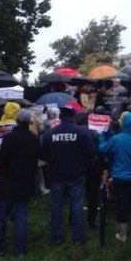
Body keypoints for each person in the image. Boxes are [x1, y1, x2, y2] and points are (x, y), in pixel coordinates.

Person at [0, 109, 40, 257]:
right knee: (21, 215)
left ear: (17, 121)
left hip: (8, 182)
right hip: (26, 182)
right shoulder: (35, 139)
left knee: (1, 215)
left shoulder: (9, 138)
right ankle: (20, 250)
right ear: (30, 122)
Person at [40, 105, 96, 245]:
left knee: (56, 205)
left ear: (60, 116)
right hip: (76, 175)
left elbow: (42, 155)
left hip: (56, 175)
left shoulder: (50, 133)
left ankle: (57, 237)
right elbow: (91, 153)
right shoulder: (81, 132)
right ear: (73, 117)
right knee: (77, 205)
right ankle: (78, 238)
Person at [98, 112, 131, 242]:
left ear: (123, 124)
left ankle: (123, 234)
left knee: (122, 204)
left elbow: (103, 149)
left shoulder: (116, 139)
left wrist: (100, 136)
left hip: (119, 177)